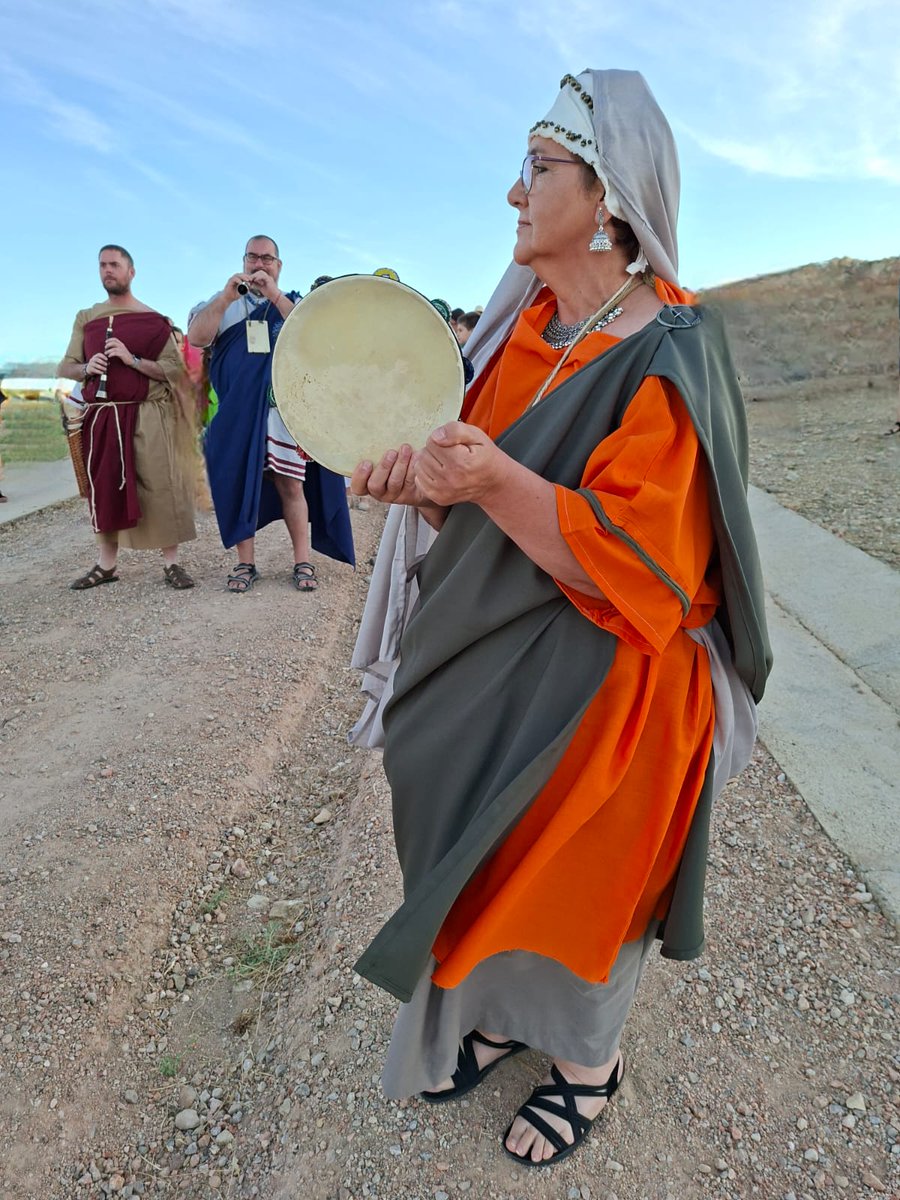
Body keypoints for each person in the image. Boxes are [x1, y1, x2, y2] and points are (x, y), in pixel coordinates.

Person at [349, 69, 771, 1167]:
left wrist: (488, 483)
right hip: (489, 655)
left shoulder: (673, 349)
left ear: (612, 198)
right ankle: (497, 1016)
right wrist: (425, 484)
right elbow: (473, 475)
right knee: (467, 836)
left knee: (577, 874)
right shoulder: (522, 331)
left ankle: (588, 1063)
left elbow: (647, 569)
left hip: (614, 685)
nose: (513, 195)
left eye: (538, 171)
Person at [187, 236, 353, 592]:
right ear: (243, 261)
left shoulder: (292, 303)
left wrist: (276, 296)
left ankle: (302, 561)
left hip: (281, 415)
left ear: (279, 265)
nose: (259, 265)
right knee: (238, 485)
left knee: (292, 484)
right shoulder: (222, 304)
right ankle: (245, 564)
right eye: (253, 257)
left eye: (267, 259)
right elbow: (198, 337)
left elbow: (311, 334)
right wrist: (225, 297)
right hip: (235, 416)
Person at [59, 245, 196, 590]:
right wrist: (87, 367)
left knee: (159, 484)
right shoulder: (86, 317)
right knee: (103, 488)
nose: (108, 270)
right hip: (103, 416)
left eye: (115, 265)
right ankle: (106, 566)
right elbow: (66, 366)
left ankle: (172, 564)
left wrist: (132, 359)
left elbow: (173, 370)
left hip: (148, 415)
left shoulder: (154, 320)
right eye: (103, 265)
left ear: (130, 272)